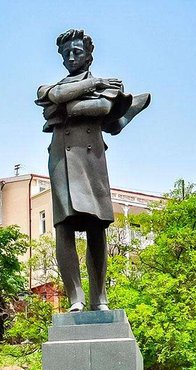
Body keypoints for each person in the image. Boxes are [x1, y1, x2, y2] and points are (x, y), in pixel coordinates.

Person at [36, 28, 149, 312]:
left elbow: (101, 108)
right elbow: (57, 94)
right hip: (61, 160)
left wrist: (66, 108)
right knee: (64, 226)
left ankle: (99, 299)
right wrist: (93, 84)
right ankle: (75, 298)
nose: (71, 57)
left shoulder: (109, 89)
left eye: (77, 51)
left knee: (97, 226)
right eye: (66, 53)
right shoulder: (51, 88)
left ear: (89, 55)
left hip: (92, 158)